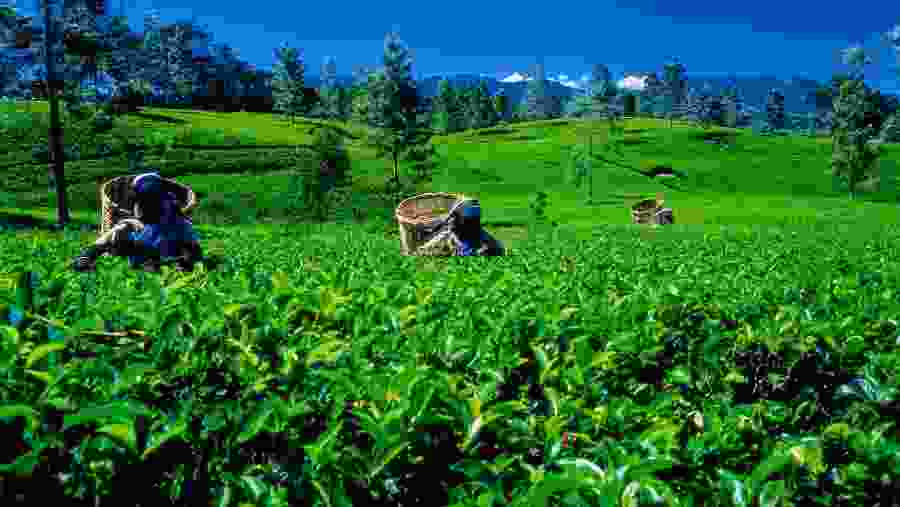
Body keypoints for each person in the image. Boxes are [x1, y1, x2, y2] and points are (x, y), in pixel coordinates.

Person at [73, 172, 203, 272]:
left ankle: (158, 264)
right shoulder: (145, 212)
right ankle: (86, 257)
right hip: (143, 249)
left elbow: (193, 247)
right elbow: (140, 222)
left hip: (165, 253)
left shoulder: (175, 218)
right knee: (123, 227)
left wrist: (183, 261)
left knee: (126, 227)